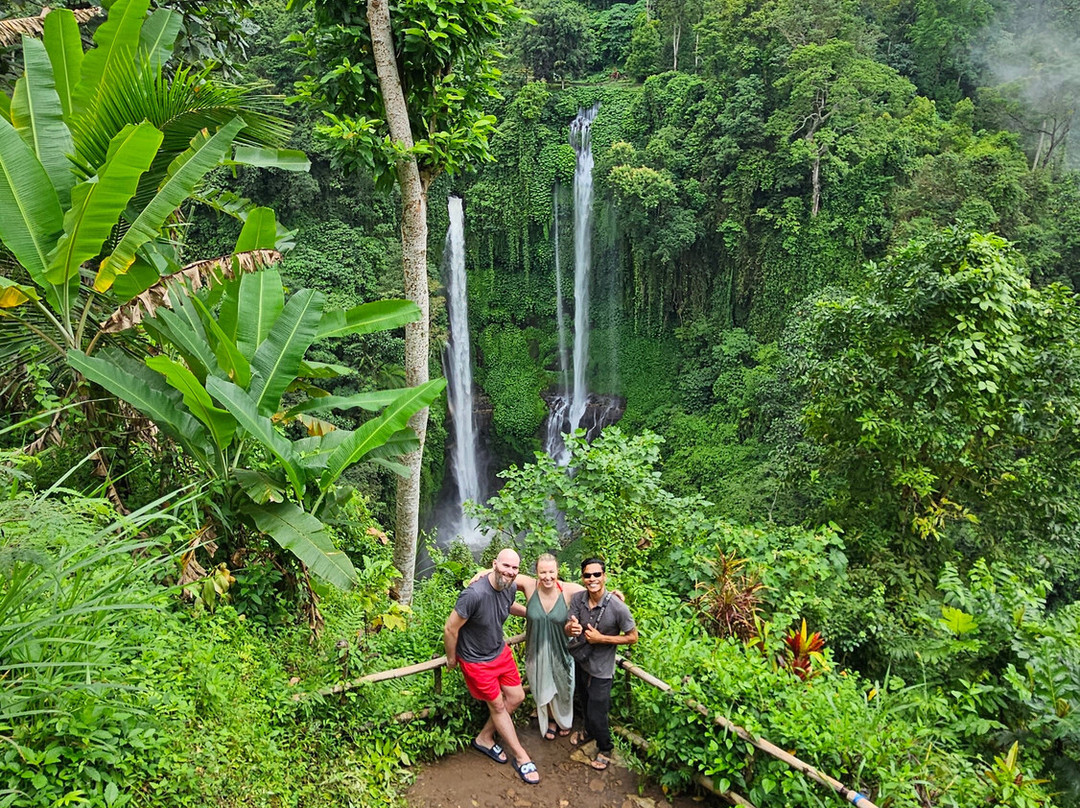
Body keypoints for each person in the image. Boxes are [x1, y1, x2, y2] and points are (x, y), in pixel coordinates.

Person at [444, 548, 540, 785]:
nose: (510, 572)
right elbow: (450, 628)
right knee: (497, 705)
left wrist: (531, 614)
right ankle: (521, 756)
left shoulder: (509, 587)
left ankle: (485, 737)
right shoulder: (473, 594)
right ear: (494, 564)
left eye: (514, 568)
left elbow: (507, 606)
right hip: (476, 660)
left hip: (499, 651)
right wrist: (451, 658)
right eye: (506, 566)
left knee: (516, 697)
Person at [564, 557, 638, 771]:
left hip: (602, 669)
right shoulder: (578, 599)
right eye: (588, 575)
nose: (592, 579)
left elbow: (633, 637)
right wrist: (572, 629)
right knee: (584, 702)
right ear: (583, 578)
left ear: (604, 576)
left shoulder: (617, 607)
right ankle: (588, 731)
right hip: (582, 661)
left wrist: (602, 639)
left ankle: (605, 747)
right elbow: (569, 626)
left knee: (598, 711)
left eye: (597, 574)